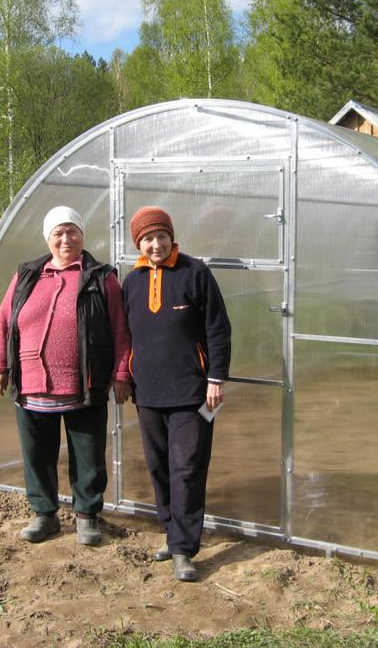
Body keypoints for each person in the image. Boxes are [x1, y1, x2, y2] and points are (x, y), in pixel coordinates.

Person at [0, 206, 131, 546]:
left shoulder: (101, 277)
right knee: (37, 454)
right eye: (58, 233)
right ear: (48, 239)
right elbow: (4, 321)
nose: (66, 238)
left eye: (72, 231)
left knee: (88, 456)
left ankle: (87, 516)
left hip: (84, 384)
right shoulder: (27, 275)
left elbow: (121, 329)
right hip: (31, 383)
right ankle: (44, 514)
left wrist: (121, 372)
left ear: (82, 235)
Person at [122, 206, 231, 582]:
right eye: (147, 238)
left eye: (160, 236)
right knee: (158, 467)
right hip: (148, 392)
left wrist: (216, 377)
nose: (155, 244)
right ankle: (171, 533)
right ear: (139, 242)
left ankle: (184, 549)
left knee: (187, 468)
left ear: (171, 237)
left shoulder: (195, 272)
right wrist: (123, 375)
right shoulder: (132, 281)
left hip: (191, 391)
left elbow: (218, 328)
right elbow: (125, 337)